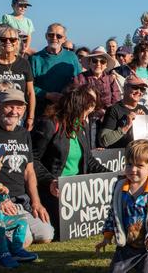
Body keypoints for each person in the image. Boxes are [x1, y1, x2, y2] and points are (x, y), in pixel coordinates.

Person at [0, 89, 54, 244]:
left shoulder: (24, 133)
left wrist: (36, 202)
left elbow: (29, 171)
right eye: (9, 106)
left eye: (19, 107)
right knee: (24, 240)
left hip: (22, 202)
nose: (14, 112)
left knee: (46, 235)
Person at [33, 85, 110, 237]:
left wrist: (112, 175)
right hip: (54, 192)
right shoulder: (49, 124)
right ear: (75, 107)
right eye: (86, 110)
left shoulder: (80, 126)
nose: (88, 115)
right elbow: (32, 160)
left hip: (77, 193)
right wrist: (50, 181)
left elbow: (89, 161)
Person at [96, 139, 148, 273]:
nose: (133, 169)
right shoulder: (119, 187)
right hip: (125, 244)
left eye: (139, 166)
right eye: (129, 164)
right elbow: (113, 213)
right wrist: (107, 236)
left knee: (146, 271)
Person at [0, 24, 36, 130]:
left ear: (17, 42)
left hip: (17, 116)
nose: (8, 42)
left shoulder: (24, 63)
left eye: (12, 39)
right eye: (3, 39)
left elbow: (30, 92)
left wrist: (30, 117)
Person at [29, 23, 82, 116]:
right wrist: (48, 95)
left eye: (59, 36)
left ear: (64, 39)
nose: (54, 38)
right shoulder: (35, 59)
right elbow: (28, 86)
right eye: (51, 34)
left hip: (66, 109)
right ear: (46, 36)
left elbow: (80, 80)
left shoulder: (72, 57)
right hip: (41, 110)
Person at [99, 76, 148, 149]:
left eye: (142, 89)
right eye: (135, 87)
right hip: (119, 157)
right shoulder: (114, 109)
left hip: (139, 156)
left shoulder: (144, 110)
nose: (139, 91)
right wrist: (127, 126)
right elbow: (104, 141)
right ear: (125, 88)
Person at [73, 46, 120, 121]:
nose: (98, 64)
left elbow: (116, 101)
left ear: (106, 65)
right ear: (89, 63)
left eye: (102, 62)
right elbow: (75, 100)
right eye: (95, 61)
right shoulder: (80, 78)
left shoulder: (111, 79)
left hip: (107, 117)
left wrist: (106, 113)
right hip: (84, 117)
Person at [124, 41, 148, 113]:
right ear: (137, 54)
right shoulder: (129, 70)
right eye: (142, 51)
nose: (146, 54)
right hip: (133, 111)